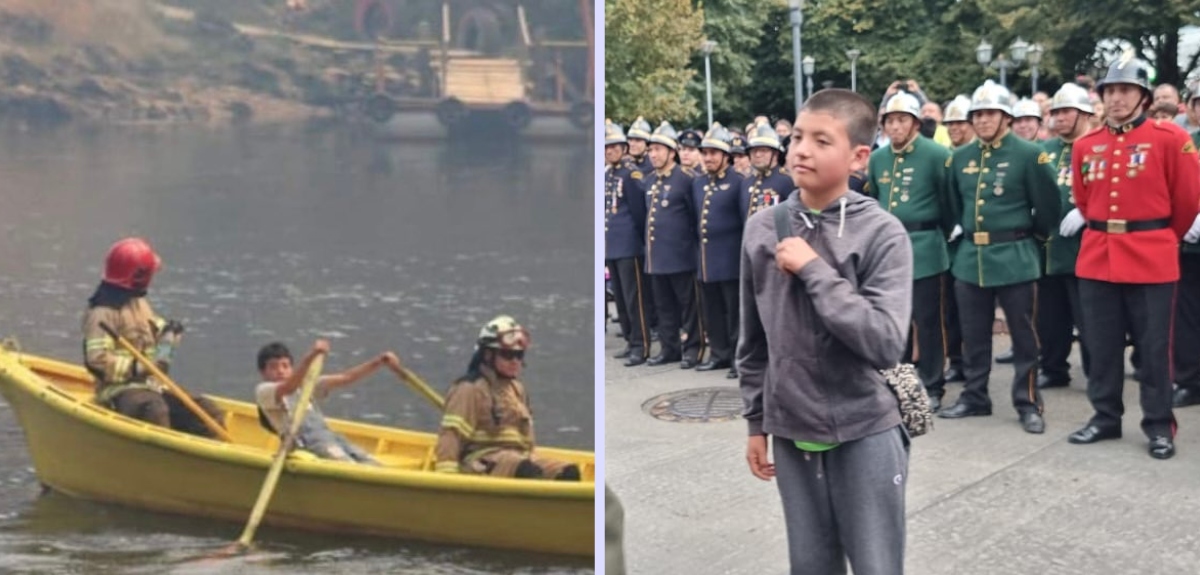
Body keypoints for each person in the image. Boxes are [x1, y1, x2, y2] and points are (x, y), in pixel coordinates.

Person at [739, 89, 913, 575]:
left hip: (864, 426)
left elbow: (884, 341)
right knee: (811, 564)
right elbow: (753, 341)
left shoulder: (881, 233)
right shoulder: (761, 229)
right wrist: (756, 422)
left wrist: (814, 270)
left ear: (859, 157)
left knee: (877, 564)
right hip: (791, 425)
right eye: (797, 137)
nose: (801, 150)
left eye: (821, 140)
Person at [1066, 54, 1200, 459]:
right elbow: (1084, 200)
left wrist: (1161, 237)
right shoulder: (1086, 145)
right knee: (1101, 345)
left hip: (1151, 256)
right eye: (1110, 90)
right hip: (1099, 257)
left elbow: (1187, 200)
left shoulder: (1170, 138)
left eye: (1126, 90)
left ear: (1143, 97)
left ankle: (1159, 425)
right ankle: (1105, 417)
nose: (1117, 98)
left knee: (1154, 349)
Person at [939, 80, 1060, 435]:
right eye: (977, 115)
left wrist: (1031, 239)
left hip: (1015, 256)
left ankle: (1028, 402)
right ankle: (975, 396)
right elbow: (953, 205)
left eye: (990, 113)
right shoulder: (960, 158)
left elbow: (1049, 207)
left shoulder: (1029, 154)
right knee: (973, 336)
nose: (983, 120)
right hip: (970, 260)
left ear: (1006, 117)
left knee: (1024, 338)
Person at [865, 91, 955, 412]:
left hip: (925, 246)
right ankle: (898, 384)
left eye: (902, 120)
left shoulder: (936, 154)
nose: (895, 127)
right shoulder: (878, 158)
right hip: (889, 251)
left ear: (916, 123)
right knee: (893, 322)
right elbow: (874, 198)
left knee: (929, 321)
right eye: (890, 121)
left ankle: (933, 384)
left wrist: (943, 231)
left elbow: (949, 201)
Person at [82, 237, 225, 438]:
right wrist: (139, 368)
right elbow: (97, 361)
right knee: (153, 410)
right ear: (140, 276)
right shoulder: (102, 313)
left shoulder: (138, 303)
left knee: (207, 411)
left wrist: (168, 335)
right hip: (117, 390)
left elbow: (153, 331)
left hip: (152, 386)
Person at [434, 315, 581, 480]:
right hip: (481, 461)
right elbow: (451, 436)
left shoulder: (517, 390)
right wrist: (447, 477)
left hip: (519, 458)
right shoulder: (469, 389)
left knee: (568, 472)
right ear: (488, 355)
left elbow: (528, 441)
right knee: (524, 469)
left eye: (519, 355)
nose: (515, 361)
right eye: (507, 355)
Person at [255, 340, 400, 464]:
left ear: (291, 368)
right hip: (304, 443)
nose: (280, 371)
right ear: (263, 372)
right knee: (347, 464)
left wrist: (379, 361)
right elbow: (288, 388)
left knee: (370, 462)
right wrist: (311, 356)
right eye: (273, 367)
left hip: (330, 437)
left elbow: (346, 378)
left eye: (285, 366)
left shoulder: (306, 385)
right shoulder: (265, 390)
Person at [1036, 83, 1094, 390]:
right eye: (1055, 112)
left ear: (1084, 114)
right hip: (1049, 245)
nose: (1059, 118)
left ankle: (1097, 372)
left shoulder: (1097, 147)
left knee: (1089, 318)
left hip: (1083, 247)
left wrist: (1087, 211)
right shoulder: (1045, 151)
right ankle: (1053, 367)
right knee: (1050, 316)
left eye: (1066, 112)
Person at [643, 122, 702, 368]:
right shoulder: (649, 180)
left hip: (681, 254)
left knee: (689, 306)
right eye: (651, 150)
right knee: (663, 306)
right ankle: (670, 348)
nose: (653, 154)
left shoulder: (686, 179)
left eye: (658, 149)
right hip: (656, 256)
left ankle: (693, 348)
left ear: (671, 152)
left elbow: (695, 216)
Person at [692, 123, 744, 378]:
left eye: (713, 153)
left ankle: (737, 359)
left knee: (734, 313)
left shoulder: (738, 183)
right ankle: (719, 354)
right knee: (711, 312)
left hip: (730, 259)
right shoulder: (698, 182)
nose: (708, 158)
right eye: (705, 153)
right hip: (706, 259)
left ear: (726, 156)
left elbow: (745, 222)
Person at [604, 119, 654, 367]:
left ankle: (640, 344)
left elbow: (638, 211)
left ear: (623, 148)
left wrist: (640, 242)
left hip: (629, 244)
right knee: (621, 299)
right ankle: (629, 338)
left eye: (614, 147)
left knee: (634, 298)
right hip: (611, 244)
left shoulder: (631, 174)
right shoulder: (608, 173)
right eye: (606, 147)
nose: (609, 151)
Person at [739, 121, 794, 220]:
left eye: (763, 150)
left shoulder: (787, 181)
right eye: (754, 151)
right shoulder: (746, 181)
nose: (757, 155)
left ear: (775, 153)